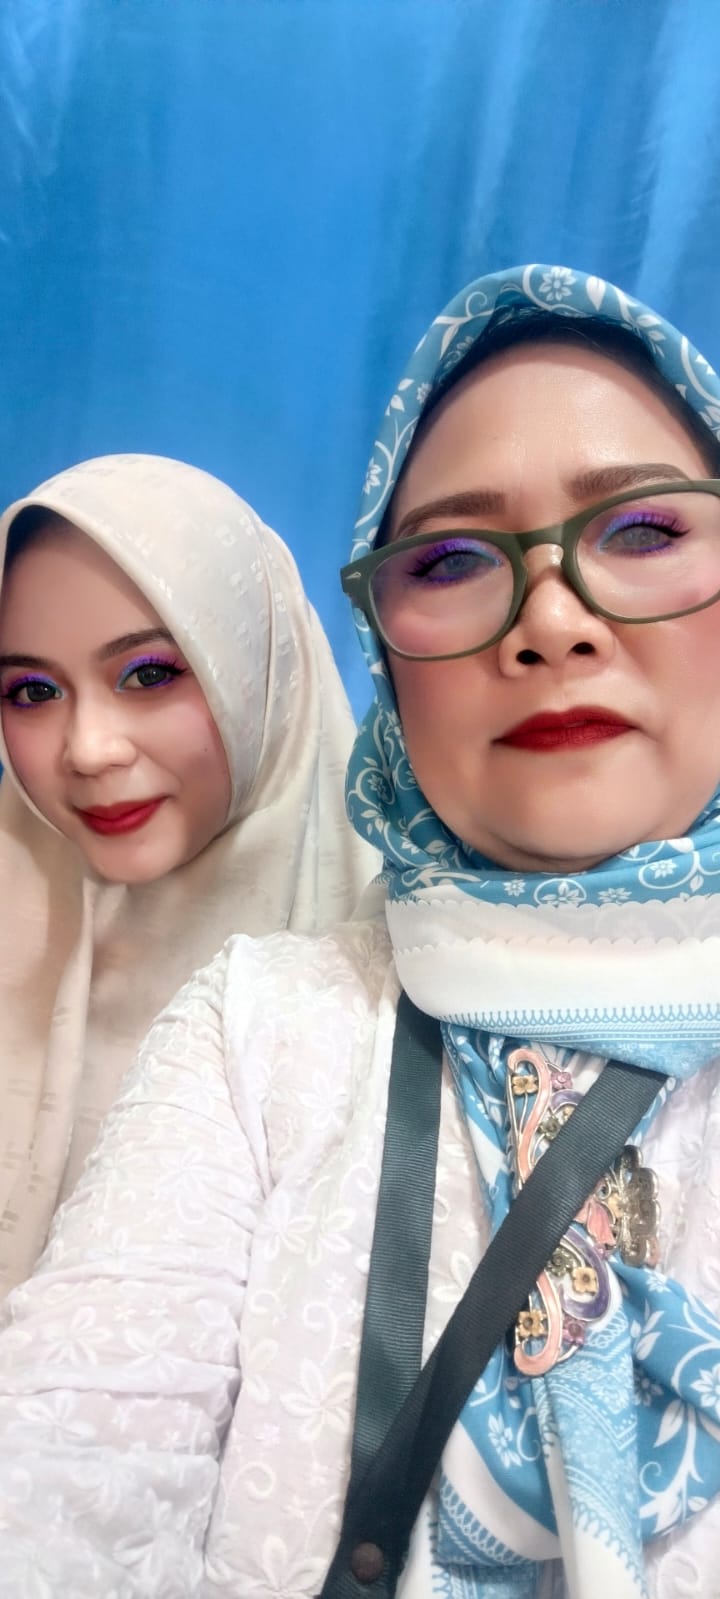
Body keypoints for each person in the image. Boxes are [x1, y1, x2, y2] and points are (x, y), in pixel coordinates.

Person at [1, 268, 720, 1599]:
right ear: (380, 653)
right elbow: (71, 1452)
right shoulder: (265, 1028)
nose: (552, 621)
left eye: (643, 530)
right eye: (449, 559)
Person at [0, 453, 377, 1295]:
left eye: (148, 674)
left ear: (263, 673)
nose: (88, 749)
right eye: (31, 691)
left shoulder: (408, 993)